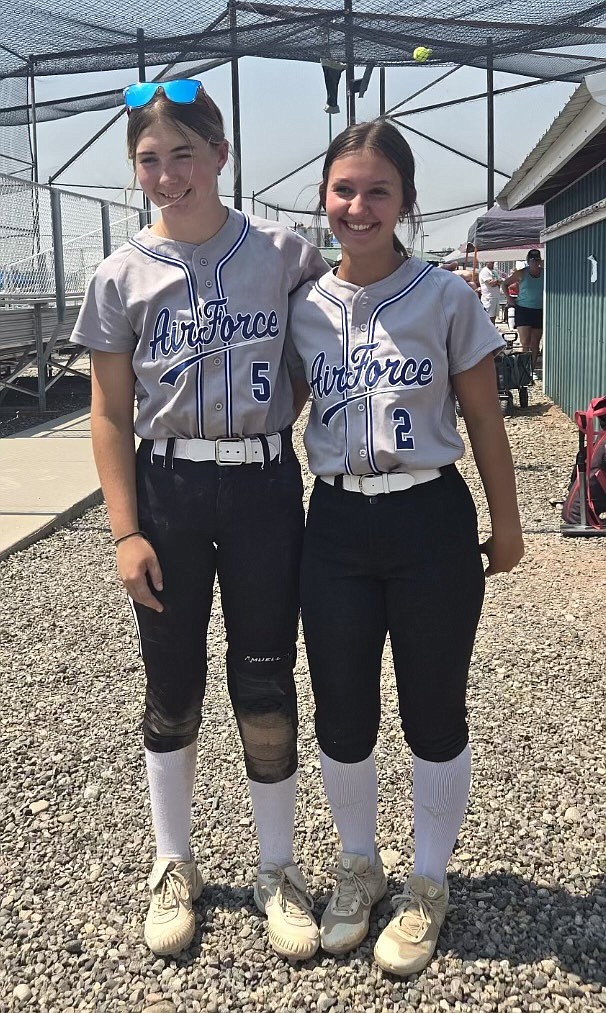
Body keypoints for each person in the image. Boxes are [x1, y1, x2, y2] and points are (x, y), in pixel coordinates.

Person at [70, 79, 327, 961]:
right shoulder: (119, 273)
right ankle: (172, 860)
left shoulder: (286, 253)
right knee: (172, 683)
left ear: (221, 154)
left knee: (264, 679)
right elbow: (109, 411)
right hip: (169, 491)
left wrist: (277, 420)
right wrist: (124, 529)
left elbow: (317, 353)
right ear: (134, 168)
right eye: (150, 158)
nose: (169, 173)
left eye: (186, 152)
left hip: (260, 488)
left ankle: (276, 866)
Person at [286, 120, 524, 976]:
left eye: (378, 190)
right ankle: (359, 864)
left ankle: (428, 879)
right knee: (343, 708)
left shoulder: (444, 296)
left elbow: (486, 417)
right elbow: (267, 408)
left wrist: (509, 520)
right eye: (344, 189)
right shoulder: (303, 307)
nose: (359, 205)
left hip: (429, 520)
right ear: (324, 197)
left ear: (405, 202)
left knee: (434, 706)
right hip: (339, 522)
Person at [502, 250, 544, 365]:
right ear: (528, 261)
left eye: (537, 260)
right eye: (532, 260)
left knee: (535, 342)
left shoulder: (545, 273)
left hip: (539, 309)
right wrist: (509, 298)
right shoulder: (521, 273)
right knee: (525, 341)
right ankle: (522, 369)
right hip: (523, 309)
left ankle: (531, 369)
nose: (535, 262)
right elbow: (504, 283)